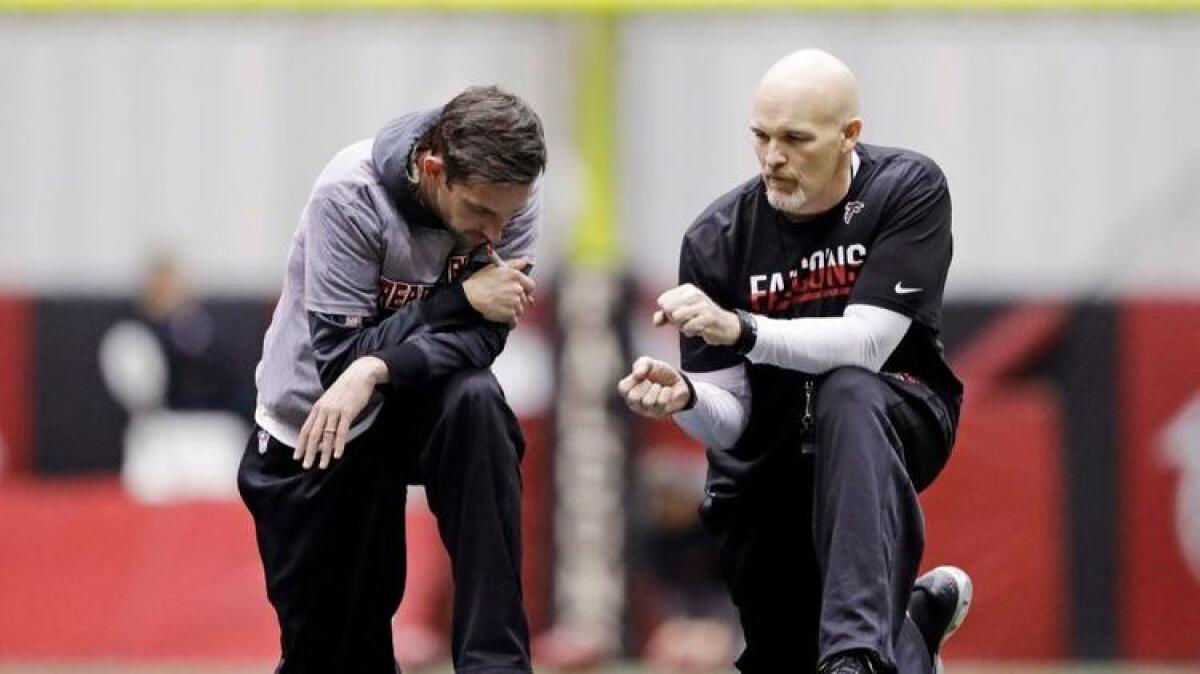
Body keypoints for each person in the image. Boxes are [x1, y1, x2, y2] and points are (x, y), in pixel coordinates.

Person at [618, 50, 972, 674]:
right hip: (772, 451)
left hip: (897, 416)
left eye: (794, 139)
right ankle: (910, 630)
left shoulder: (906, 189)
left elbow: (866, 344)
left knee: (847, 391)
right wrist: (687, 399)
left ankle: (858, 652)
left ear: (848, 136)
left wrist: (743, 328)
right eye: (760, 135)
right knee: (790, 655)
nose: (772, 157)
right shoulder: (715, 237)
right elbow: (731, 420)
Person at [238, 85, 545, 674]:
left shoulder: (508, 194)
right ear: (434, 170)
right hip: (319, 425)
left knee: (478, 402)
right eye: (480, 213)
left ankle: (495, 665)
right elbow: (338, 365)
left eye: (508, 216)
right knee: (334, 654)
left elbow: (488, 336)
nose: (495, 236)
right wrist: (457, 302)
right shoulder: (351, 195)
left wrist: (382, 364)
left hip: (415, 403)